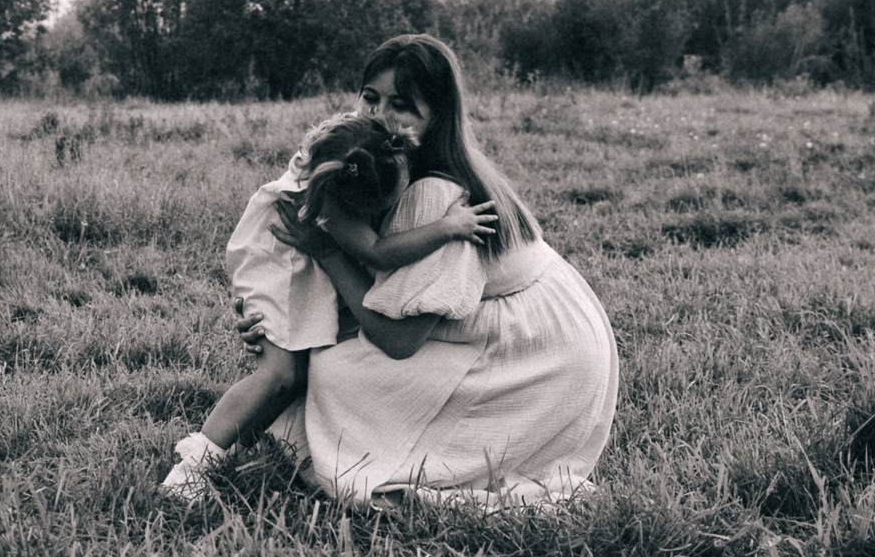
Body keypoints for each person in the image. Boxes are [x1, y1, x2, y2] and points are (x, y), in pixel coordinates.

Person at [251, 33, 619, 509]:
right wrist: (275, 323)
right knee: (325, 350)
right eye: (371, 98)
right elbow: (376, 283)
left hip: (537, 359)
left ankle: (417, 461)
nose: (379, 116)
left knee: (335, 369)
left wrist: (327, 253)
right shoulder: (381, 168)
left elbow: (398, 340)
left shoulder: (434, 193)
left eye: (402, 105)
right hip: (537, 332)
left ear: (438, 115)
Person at [160, 111, 495, 495]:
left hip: (285, 268)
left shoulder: (341, 148)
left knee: (297, 376)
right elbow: (379, 252)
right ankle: (190, 469)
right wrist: (447, 227)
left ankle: (228, 453)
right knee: (279, 375)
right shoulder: (330, 201)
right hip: (280, 272)